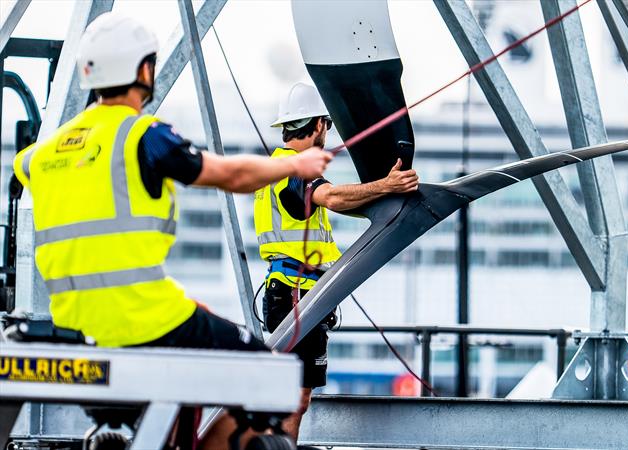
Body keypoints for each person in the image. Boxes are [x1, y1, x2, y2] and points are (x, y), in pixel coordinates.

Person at [12, 12, 331, 449]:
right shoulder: (142, 135)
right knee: (271, 375)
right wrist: (295, 164)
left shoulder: (42, 154)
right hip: (143, 319)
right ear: (144, 71)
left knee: (195, 347)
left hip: (75, 325)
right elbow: (229, 174)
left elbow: (24, 167)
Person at [255, 82, 419, 439]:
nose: (327, 132)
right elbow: (330, 197)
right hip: (296, 296)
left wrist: (379, 193)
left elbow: (332, 199)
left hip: (296, 294)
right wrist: (386, 187)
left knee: (295, 397)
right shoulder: (294, 167)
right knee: (293, 398)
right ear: (316, 126)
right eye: (325, 125)